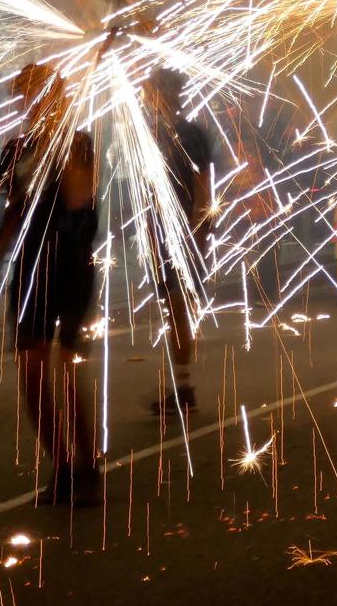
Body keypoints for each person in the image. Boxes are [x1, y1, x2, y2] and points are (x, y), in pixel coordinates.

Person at [0, 64, 100, 505]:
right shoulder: (14, 150)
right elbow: (15, 209)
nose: (26, 106)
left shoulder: (80, 144)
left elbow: (77, 198)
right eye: (21, 97)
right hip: (32, 267)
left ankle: (89, 466)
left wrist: (55, 142)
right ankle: (61, 465)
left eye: (34, 96)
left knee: (68, 370)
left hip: (72, 266)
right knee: (31, 369)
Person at [142, 67, 213, 415]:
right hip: (162, 232)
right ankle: (181, 386)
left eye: (150, 90)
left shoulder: (190, 134)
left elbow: (204, 190)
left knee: (179, 310)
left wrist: (198, 235)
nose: (144, 96)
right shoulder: (157, 132)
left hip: (183, 233)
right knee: (174, 311)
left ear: (164, 94)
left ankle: (184, 387)